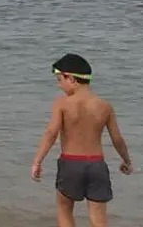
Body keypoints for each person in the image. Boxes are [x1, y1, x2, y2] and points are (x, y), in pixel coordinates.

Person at [31, 53, 132, 226]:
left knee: (64, 209)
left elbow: (51, 133)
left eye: (59, 79)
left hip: (71, 164)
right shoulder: (104, 106)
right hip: (97, 165)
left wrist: (37, 161)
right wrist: (126, 160)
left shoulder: (62, 103)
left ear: (70, 78)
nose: (59, 85)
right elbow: (117, 138)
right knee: (98, 217)